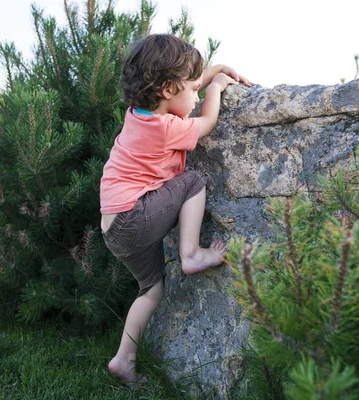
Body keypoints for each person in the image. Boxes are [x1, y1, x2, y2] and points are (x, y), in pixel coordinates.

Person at [99, 33, 252, 388]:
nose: (197, 93)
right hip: (133, 217)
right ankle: (192, 253)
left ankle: (124, 359)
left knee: (151, 290)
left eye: (200, 88)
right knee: (192, 181)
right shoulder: (165, 129)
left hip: (114, 228)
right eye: (193, 88)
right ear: (168, 89)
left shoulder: (140, 115)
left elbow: (184, 87)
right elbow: (206, 121)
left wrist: (214, 70)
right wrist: (215, 90)